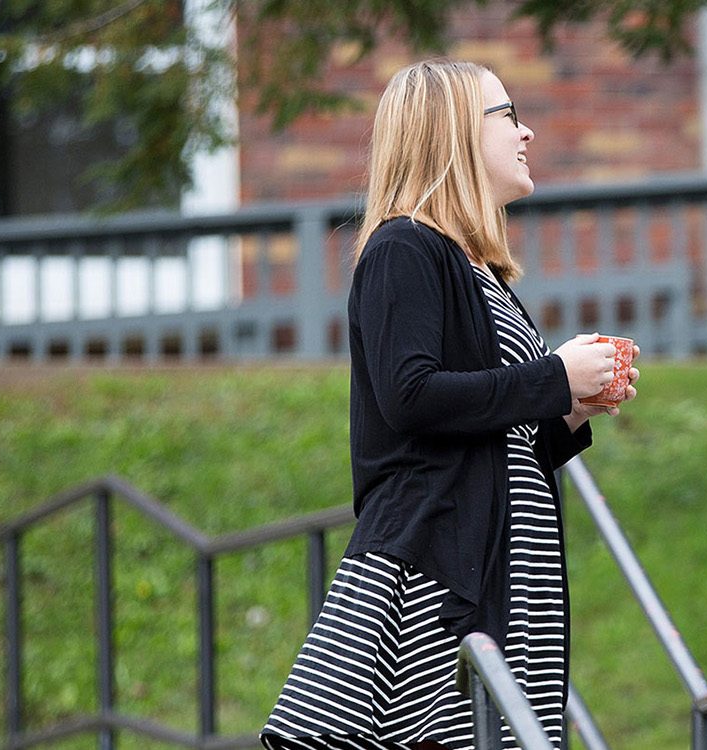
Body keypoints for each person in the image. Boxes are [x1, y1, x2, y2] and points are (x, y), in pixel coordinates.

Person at [261, 59, 637, 750]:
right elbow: (411, 399)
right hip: (436, 577)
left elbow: (495, 441)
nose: (528, 133)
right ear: (454, 132)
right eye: (509, 116)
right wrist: (554, 376)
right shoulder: (404, 247)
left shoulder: (480, 270)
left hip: (504, 572)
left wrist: (568, 413)